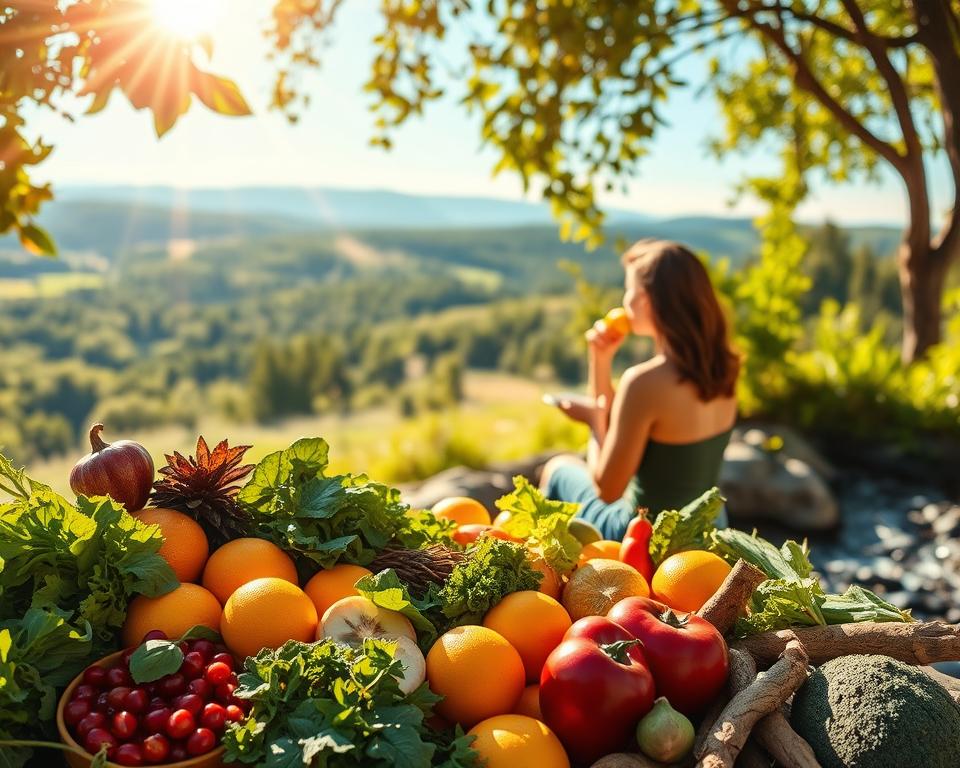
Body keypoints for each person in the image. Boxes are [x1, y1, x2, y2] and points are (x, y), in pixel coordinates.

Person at [539, 239, 739, 541]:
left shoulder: (644, 382)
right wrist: (600, 358)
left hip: (645, 537)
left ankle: (553, 572)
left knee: (558, 468)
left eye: (629, 290)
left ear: (646, 301)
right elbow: (625, 420)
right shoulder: (724, 368)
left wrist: (593, 422)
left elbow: (606, 490)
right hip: (706, 529)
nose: (625, 301)